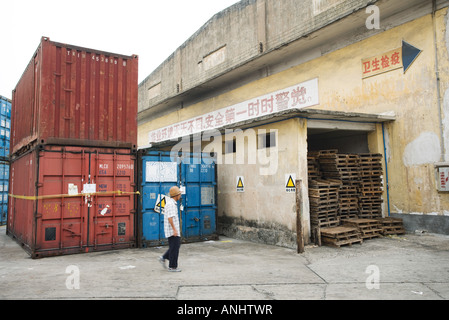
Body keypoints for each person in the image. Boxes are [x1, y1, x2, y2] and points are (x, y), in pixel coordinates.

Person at [159, 186, 182, 272]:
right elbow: (170, 218)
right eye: (179, 194)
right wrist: (174, 230)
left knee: (175, 247)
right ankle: (172, 267)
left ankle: (164, 257)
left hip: (172, 230)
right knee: (174, 248)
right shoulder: (171, 204)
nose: (180, 195)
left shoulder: (171, 203)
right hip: (172, 231)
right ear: (176, 195)